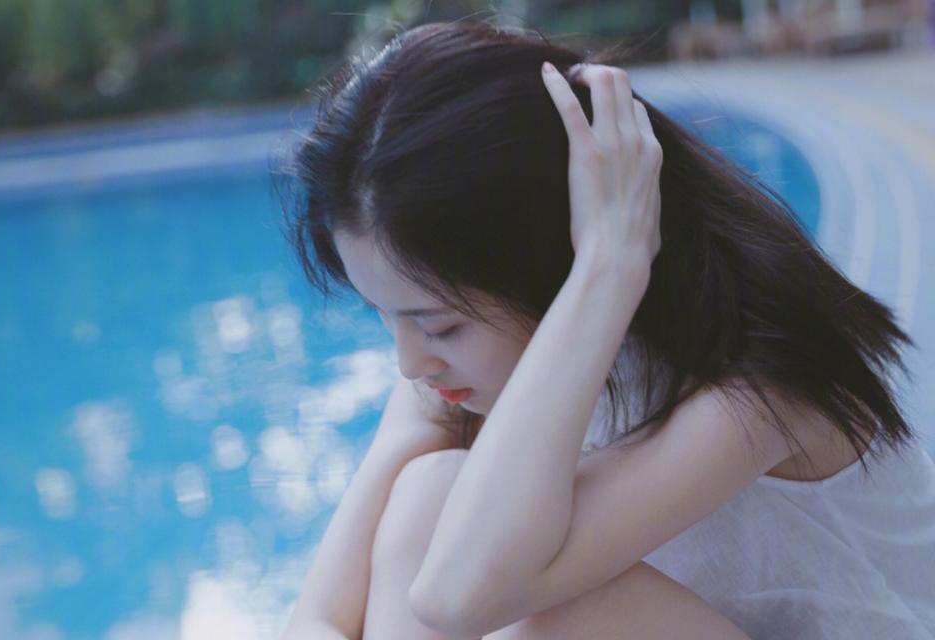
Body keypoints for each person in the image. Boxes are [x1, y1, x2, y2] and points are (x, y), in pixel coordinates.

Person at [274, 19, 935, 640]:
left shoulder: (762, 389)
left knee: (552, 611)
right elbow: (318, 618)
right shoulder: (459, 374)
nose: (411, 363)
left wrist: (610, 266)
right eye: (384, 314)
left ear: (553, 261)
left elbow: (459, 594)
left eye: (440, 325)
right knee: (428, 500)